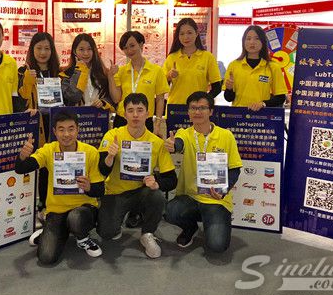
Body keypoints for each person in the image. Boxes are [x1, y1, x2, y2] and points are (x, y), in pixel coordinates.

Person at [15, 110, 105, 265]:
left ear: (78, 130)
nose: (66, 134)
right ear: (55, 131)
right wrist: (23, 156)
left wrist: (89, 187)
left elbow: (100, 190)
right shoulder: (48, 150)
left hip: (83, 208)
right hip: (56, 210)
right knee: (46, 257)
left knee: (76, 218)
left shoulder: (90, 152)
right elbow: (21, 168)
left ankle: (82, 238)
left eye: (71, 129)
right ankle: (52, 232)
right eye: (61, 130)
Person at [97, 93, 177, 259]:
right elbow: (102, 171)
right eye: (130, 110)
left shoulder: (156, 142)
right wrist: (110, 157)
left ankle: (147, 233)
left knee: (157, 196)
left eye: (140, 110)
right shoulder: (112, 136)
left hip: (142, 192)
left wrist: (157, 183)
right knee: (106, 233)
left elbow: (171, 180)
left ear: (147, 113)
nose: (135, 115)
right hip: (115, 193)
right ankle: (121, 219)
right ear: (124, 113)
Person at [164, 91, 242, 253]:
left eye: (202, 108)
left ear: (211, 111)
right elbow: (178, 143)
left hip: (216, 200)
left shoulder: (226, 136)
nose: (197, 112)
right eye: (193, 108)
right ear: (188, 112)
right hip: (190, 197)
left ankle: (215, 221)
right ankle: (190, 227)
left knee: (217, 246)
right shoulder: (184, 133)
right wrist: (173, 145)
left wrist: (223, 191)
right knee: (170, 211)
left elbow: (234, 169)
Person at [17, 32, 61, 221]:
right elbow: (20, 101)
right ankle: (39, 205)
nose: (43, 52)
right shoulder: (23, 71)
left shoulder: (58, 73)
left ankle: (54, 204)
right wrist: (28, 79)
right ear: (32, 50)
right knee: (40, 164)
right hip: (36, 125)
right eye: (39, 48)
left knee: (54, 165)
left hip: (56, 124)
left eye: (47, 48)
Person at [108, 31, 168, 136]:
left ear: (141, 44)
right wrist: (110, 77)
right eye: (125, 48)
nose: (129, 50)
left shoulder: (156, 71)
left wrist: (157, 123)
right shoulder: (121, 71)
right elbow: (116, 99)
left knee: (145, 147)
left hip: (145, 120)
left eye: (132, 46)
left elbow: (160, 99)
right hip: (123, 119)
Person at [223, 25, 287, 111]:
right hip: (238, 115)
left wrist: (263, 104)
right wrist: (229, 89)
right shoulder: (234, 65)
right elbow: (228, 98)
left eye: (257, 38)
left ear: (263, 42)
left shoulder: (273, 67)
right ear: (243, 42)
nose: (252, 42)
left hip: (262, 115)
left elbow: (281, 97)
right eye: (248, 39)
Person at [163, 17, 222, 106]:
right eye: (182, 34)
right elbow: (162, 88)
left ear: (197, 33)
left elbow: (217, 87)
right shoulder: (171, 57)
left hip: (198, 109)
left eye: (189, 33)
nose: (186, 37)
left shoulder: (208, 57)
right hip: (175, 107)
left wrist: (203, 101)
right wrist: (169, 76)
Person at [60, 33, 115, 112]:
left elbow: (113, 98)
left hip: (99, 116)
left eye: (89, 49)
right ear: (74, 51)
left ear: (94, 50)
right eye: (81, 49)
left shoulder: (104, 72)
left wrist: (103, 102)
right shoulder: (66, 74)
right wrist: (80, 70)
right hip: (76, 117)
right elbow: (73, 96)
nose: (86, 53)